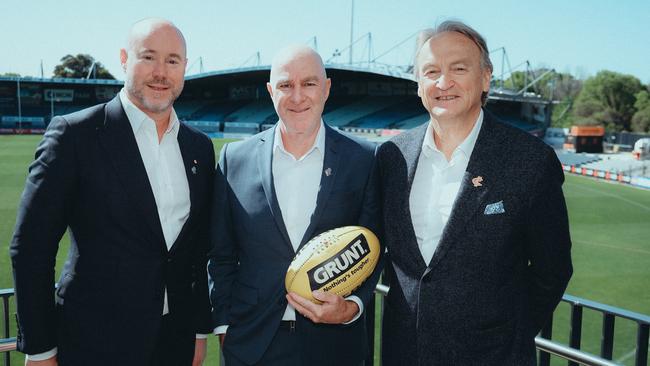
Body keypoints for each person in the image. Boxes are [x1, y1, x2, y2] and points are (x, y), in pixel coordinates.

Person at [9, 18, 214, 366]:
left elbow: (196, 251)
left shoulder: (199, 147)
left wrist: (197, 331)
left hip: (174, 342)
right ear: (124, 59)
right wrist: (41, 349)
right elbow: (31, 246)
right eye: (148, 57)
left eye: (173, 60)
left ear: (184, 68)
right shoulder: (75, 135)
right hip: (93, 342)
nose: (161, 72)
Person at [376, 20, 573, 365]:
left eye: (459, 68)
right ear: (418, 84)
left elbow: (552, 270)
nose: (443, 82)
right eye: (431, 71)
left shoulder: (530, 160)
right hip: (404, 354)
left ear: (485, 78)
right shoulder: (391, 157)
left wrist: (507, 335)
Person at [208, 45, 382, 366]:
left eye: (309, 83)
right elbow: (221, 253)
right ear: (271, 91)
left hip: (334, 346)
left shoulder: (365, 159)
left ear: (327, 88)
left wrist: (352, 306)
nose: (298, 96)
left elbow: (373, 248)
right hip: (251, 344)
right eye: (286, 85)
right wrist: (224, 326)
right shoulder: (234, 159)